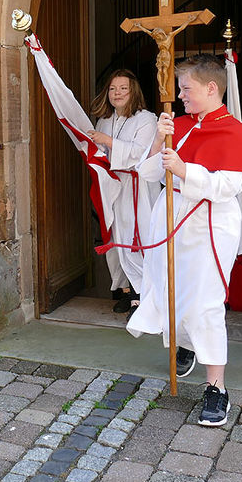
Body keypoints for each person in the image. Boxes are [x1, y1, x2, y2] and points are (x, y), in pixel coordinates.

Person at [126, 54, 242, 426]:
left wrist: (184, 170)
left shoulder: (236, 133)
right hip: (169, 214)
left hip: (208, 224)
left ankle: (217, 387)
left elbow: (228, 186)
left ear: (211, 88)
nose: (180, 96)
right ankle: (184, 343)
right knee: (170, 290)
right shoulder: (178, 124)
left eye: (186, 89)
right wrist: (158, 139)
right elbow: (150, 173)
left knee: (205, 303)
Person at [86, 70, 160, 315]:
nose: (117, 93)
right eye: (112, 89)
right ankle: (126, 292)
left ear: (133, 91)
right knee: (116, 241)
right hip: (113, 188)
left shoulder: (146, 119)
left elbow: (140, 153)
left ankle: (144, 295)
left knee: (136, 240)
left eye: (123, 88)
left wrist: (108, 141)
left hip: (137, 189)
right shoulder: (104, 120)